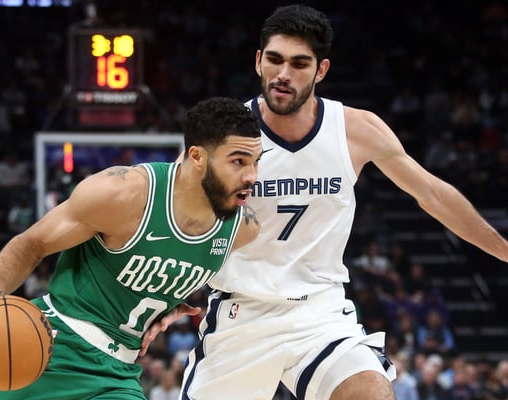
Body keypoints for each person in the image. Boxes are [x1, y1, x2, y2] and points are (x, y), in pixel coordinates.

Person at [144, 5, 508, 400]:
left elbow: (433, 195)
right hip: (241, 312)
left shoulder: (354, 129)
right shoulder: (223, 136)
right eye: (275, 59)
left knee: (371, 393)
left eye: (299, 63)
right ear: (258, 61)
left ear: (321, 70)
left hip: (320, 313)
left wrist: (503, 250)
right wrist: (159, 297)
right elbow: (169, 218)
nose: (283, 74)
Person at [0, 96, 263, 400]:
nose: (251, 176)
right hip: (50, 348)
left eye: (255, 162)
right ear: (197, 157)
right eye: (238, 161)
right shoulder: (123, 194)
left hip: (118, 373)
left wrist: (169, 306)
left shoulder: (242, 229)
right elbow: (31, 244)